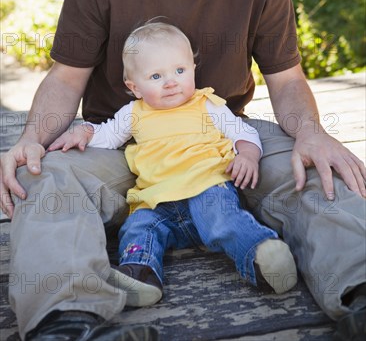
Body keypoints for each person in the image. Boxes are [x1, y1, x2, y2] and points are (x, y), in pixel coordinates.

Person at [0, 0, 365, 341]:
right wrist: (30, 140)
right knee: (43, 177)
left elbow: (286, 80)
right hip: (124, 140)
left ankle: (359, 290)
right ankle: (67, 319)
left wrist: (309, 130)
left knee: (325, 170)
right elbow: (65, 78)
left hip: (229, 141)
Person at [49, 21, 298, 306]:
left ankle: (261, 256)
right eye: (156, 76)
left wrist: (248, 155)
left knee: (223, 219)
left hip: (207, 187)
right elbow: (107, 136)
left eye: (180, 71)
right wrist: (85, 131)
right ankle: (141, 274)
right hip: (157, 200)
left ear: (193, 68)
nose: (171, 82)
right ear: (135, 87)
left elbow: (242, 131)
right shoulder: (133, 113)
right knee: (138, 227)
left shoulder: (206, 103)